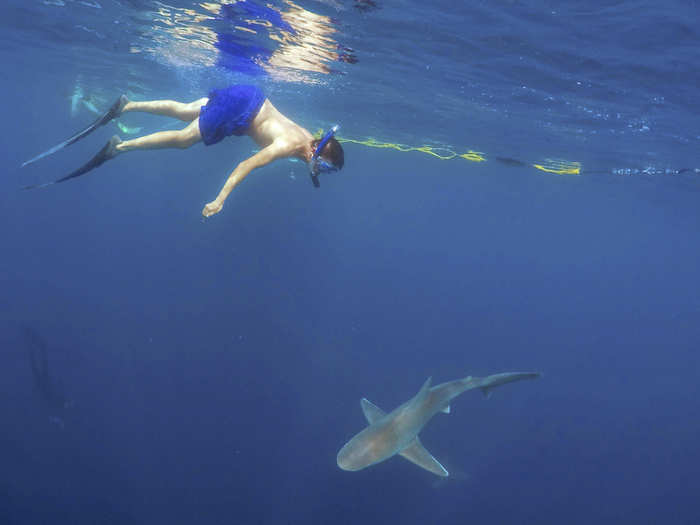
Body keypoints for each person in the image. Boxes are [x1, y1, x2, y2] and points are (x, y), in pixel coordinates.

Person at [22, 85, 345, 217]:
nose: (318, 170)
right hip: (242, 110)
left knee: (185, 111)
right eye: (324, 167)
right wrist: (221, 199)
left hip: (248, 97)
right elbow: (248, 164)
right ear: (318, 152)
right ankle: (119, 147)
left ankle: (127, 105)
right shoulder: (292, 144)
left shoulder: (306, 138)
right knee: (185, 138)